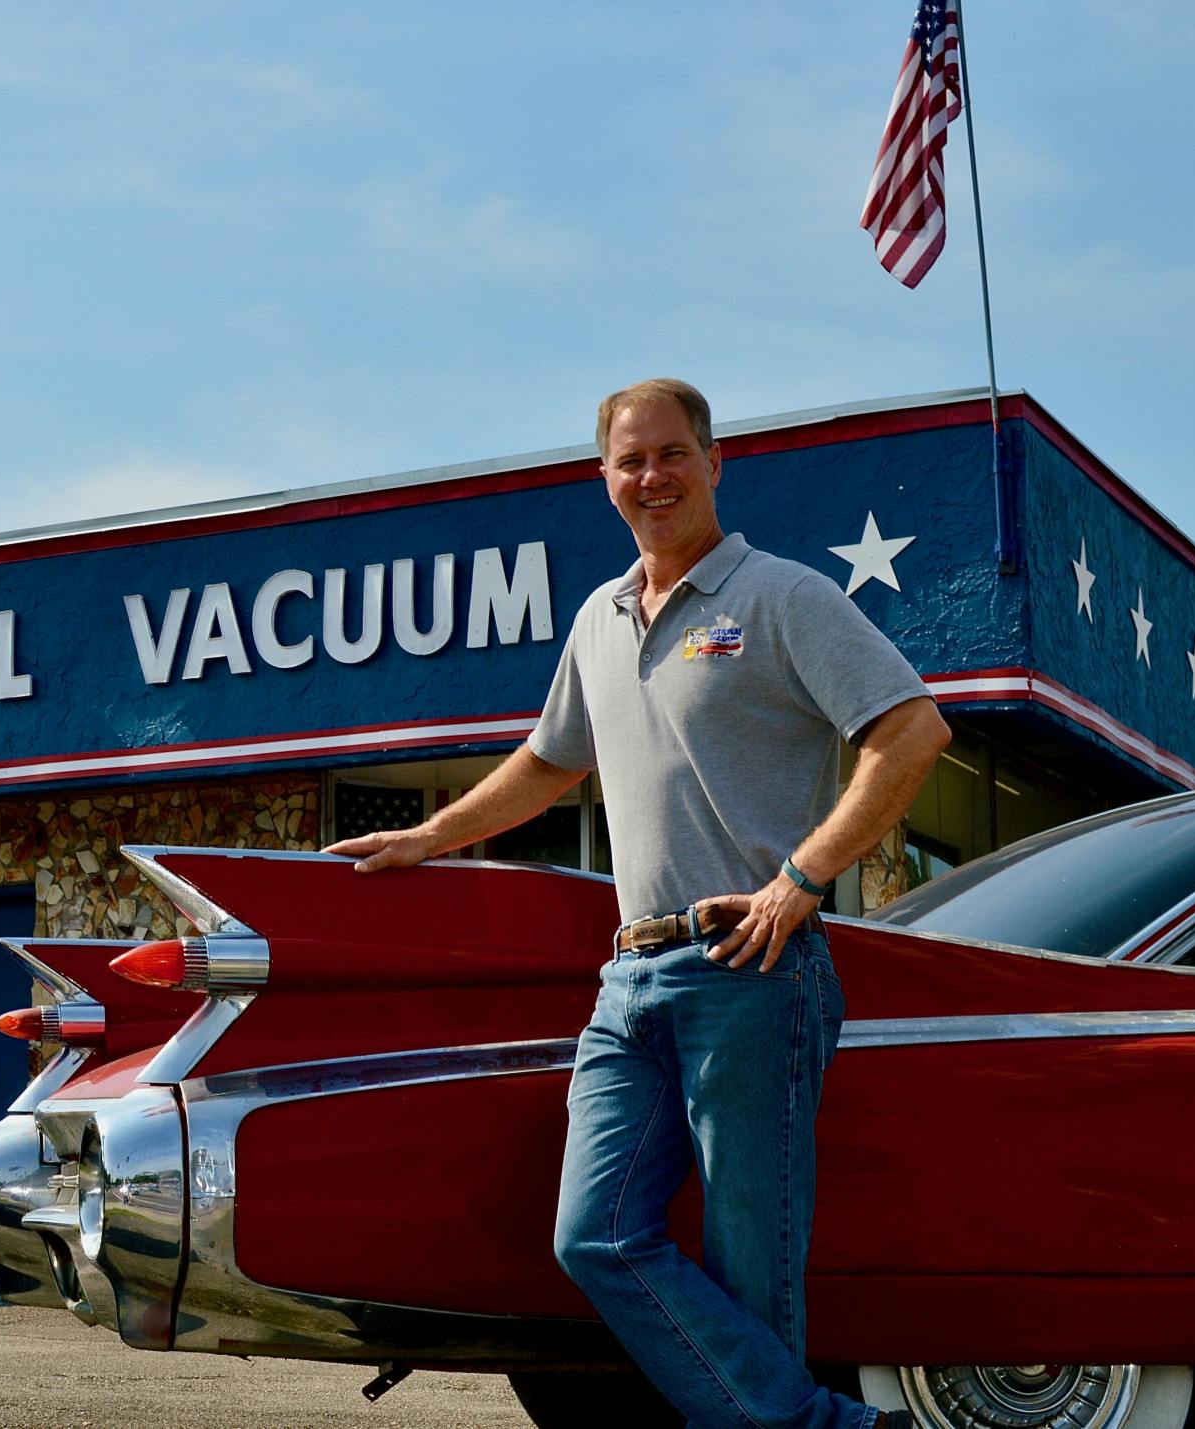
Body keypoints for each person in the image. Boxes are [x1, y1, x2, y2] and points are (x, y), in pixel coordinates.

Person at [326, 379, 949, 1428]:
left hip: (751, 968)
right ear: (603, 478)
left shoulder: (780, 597)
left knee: (753, 1267)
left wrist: (799, 880)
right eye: (630, 460)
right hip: (629, 976)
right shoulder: (598, 621)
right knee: (595, 1233)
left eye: (671, 454)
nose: (650, 476)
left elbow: (912, 732)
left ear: (713, 464)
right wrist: (432, 834)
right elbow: (544, 759)